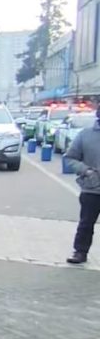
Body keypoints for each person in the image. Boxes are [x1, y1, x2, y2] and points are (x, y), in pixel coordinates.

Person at [63, 105, 100, 264]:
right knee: (86, 223)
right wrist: (86, 171)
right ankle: (80, 252)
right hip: (92, 188)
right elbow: (70, 158)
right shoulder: (85, 135)